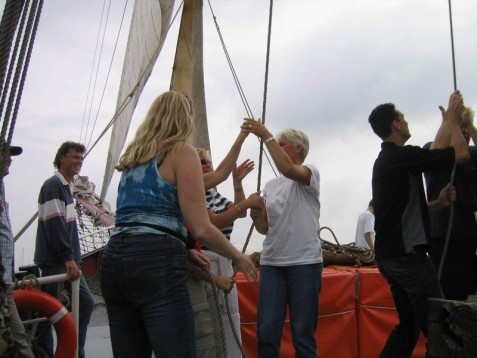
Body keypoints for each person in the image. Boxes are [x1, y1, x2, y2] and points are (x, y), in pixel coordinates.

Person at [99, 91, 257, 358]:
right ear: (185, 118)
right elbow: (202, 228)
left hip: (114, 259)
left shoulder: (134, 158)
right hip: (156, 261)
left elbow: (140, 221)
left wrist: (184, 251)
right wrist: (238, 257)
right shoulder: (182, 152)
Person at [368, 90, 469, 357]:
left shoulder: (390, 161)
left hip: (390, 258)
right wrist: (454, 121)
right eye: (404, 118)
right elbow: (459, 154)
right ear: (396, 125)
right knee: (442, 327)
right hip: (408, 258)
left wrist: (436, 203)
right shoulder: (400, 157)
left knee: (409, 327)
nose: (408, 122)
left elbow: (433, 154)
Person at [242, 120, 323, 358]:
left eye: (282, 144)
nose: (275, 146)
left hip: (305, 263)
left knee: (302, 335)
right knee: (266, 333)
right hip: (272, 263)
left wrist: (265, 134)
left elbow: (288, 169)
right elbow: (265, 229)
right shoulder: (270, 185)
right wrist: (257, 216)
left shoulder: (310, 173)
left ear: (298, 149)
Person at [196, 148, 262, 357]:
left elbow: (239, 212)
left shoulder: (213, 194)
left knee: (229, 318)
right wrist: (246, 202)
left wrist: (237, 184)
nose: (207, 165)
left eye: (208, 162)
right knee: (211, 322)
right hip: (205, 262)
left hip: (223, 262)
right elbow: (212, 223)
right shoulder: (194, 194)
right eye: (201, 162)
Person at [34, 141, 95, 358]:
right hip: (56, 260)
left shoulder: (66, 189)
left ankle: (72, 351)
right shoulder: (53, 186)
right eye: (74, 157)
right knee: (49, 310)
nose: (79, 161)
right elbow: (54, 224)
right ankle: (43, 352)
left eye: (81, 158)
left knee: (85, 303)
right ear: (62, 158)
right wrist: (67, 257)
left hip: (68, 259)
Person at [424, 106, 477, 300]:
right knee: (445, 292)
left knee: (465, 292)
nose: (463, 132)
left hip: (467, 235)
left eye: (466, 128)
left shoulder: (472, 153)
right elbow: (437, 154)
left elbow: (465, 153)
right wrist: (451, 122)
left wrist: (469, 124)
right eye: (460, 126)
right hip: (442, 234)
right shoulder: (431, 148)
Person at [0, 142, 35, 358]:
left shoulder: (2, 187)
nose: (10, 159)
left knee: (18, 339)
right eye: (5, 154)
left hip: (5, 281)